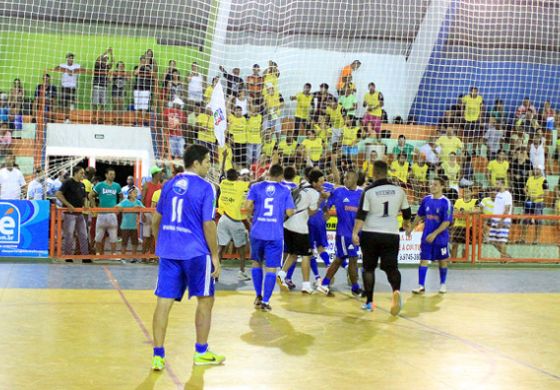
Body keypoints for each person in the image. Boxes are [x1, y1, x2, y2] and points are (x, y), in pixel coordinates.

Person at [151, 144, 224, 370]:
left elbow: (156, 219)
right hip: (196, 253)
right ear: (196, 163)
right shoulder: (206, 187)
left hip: (169, 251)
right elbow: (208, 224)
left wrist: (161, 242)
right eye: (207, 161)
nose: (209, 166)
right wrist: (215, 256)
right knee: (206, 300)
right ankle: (201, 352)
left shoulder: (169, 184)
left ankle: (158, 355)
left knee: (163, 302)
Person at [350, 160, 411, 314]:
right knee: (392, 268)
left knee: (368, 269)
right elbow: (407, 212)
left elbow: (361, 215)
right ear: (387, 172)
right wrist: (406, 223)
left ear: (374, 172)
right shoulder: (399, 190)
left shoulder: (368, 191)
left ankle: (370, 302)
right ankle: (396, 291)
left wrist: (355, 233)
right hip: (391, 234)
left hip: (371, 234)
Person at [244, 164, 295, 311]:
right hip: (274, 234)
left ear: (269, 173)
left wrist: (252, 217)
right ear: (280, 176)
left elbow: (247, 206)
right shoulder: (285, 190)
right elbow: (290, 212)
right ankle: (266, 301)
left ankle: (258, 295)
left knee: (256, 263)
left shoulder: (256, 187)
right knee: (271, 269)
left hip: (257, 232)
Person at [317, 159, 363, 298]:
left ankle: (325, 283)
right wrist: (325, 209)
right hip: (343, 234)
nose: (345, 179)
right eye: (344, 177)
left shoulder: (362, 194)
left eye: (348, 177)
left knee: (340, 259)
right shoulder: (338, 192)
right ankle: (355, 287)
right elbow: (326, 204)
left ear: (355, 180)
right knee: (351, 259)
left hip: (355, 234)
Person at [277, 170, 324, 294]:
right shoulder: (314, 193)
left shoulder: (302, 184)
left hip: (287, 224)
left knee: (293, 253)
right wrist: (320, 201)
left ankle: (281, 275)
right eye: (320, 182)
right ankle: (306, 285)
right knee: (306, 256)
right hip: (300, 228)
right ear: (314, 182)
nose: (322, 184)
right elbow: (312, 212)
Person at [408, 177, 453, 294]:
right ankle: (421, 285)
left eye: (435, 185)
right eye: (431, 184)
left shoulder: (446, 202)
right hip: (426, 237)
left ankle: (443, 284)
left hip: (440, 238)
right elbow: (419, 215)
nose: (432, 186)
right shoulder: (426, 199)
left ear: (442, 187)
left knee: (442, 261)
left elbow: (446, 222)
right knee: (423, 259)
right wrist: (411, 228)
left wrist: (435, 233)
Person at [217, 168, 251, 281]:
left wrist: (225, 159)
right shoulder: (240, 185)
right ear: (237, 177)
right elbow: (253, 183)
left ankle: (215, 272)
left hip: (223, 219)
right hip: (235, 221)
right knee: (241, 249)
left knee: (220, 248)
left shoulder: (223, 183)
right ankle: (241, 272)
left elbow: (221, 174)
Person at [56, 166, 89, 257]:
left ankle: (85, 256)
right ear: (75, 173)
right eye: (81, 173)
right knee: (69, 236)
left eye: (83, 173)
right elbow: (58, 194)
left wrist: (86, 205)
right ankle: (68, 256)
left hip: (80, 213)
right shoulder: (68, 182)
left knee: (83, 235)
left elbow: (84, 197)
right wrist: (68, 205)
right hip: (69, 214)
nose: (83, 175)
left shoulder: (82, 185)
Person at [89, 168, 122, 255]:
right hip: (101, 214)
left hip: (112, 214)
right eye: (110, 174)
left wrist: (119, 206)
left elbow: (121, 197)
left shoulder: (117, 186)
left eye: (113, 174)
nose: (112, 176)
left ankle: (113, 254)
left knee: (113, 236)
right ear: (106, 175)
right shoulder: (100, 185)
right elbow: (90, 195)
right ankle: (98, 254)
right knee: (98, 236)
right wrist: (94, 207)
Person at [451, 187, 479, 259]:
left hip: (468, 226)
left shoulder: (475, 201)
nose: (466, 193)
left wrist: (464, 213)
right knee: (454, 244)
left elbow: (477, 211)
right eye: (465, 192)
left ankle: (464, 260)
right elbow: (455, 212)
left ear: (471, 193)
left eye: (468, 191)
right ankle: (453, 261)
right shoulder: (458, 201)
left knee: (466, 246)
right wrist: (467, 213)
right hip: (458, 225)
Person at [523, 165, 548, 245]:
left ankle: (536, 239)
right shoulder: (530, 178)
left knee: (538, 221)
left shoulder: (544, 180)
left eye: (537, 169)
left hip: (538, 203)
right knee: (525, 220)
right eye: (534, 169)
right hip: (529, 201)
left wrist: (536, 197)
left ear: (541, 170)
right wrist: (528, 194)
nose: (535, 170)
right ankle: (523, 238)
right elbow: (525, 188)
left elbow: (546, 192)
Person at [488, 178, 512, 258]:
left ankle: (504, 258)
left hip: (503, 221)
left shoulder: (507, 194)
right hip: (495, 220)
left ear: (502, 184)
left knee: (502, 240)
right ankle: (506, 256)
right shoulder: (498, 194)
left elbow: (507, 209)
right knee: (492, 241)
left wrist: (501, 221)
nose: (496, 185)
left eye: (497, 183)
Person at [54, 53, 82, 123]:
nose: (70, 59)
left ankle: (70, 114)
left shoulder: (76, 65)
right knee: (65, 104)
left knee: (70, 104)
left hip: (72, 87)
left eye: (72, 58)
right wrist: (67, 70)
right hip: (64, 87)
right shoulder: (63, 65)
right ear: (67, 59)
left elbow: (83, 69)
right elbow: (56, 68)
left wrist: (73, 71)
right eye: (69, 58)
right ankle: (67, 119)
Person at [116, 187, 144, 256]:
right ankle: (123, 257)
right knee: (124, 243)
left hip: (134, 226)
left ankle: (133, 257)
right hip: (125, 226)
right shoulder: (125, 201)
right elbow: (117, 207)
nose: (136, 194)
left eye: (136, 192)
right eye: (134, 192)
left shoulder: (138, 202)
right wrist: (122, 208)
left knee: (135, 243)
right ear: (130, 194)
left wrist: (139, 208)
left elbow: (144, 209)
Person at [142, 166, 163, 255]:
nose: (161, 175)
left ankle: (151, 255)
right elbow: (142, 199)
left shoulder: (160, 186)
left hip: (156, 213)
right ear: (155, 175)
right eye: (159, 173)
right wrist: (142, 213)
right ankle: (143, 255)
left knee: (153, 236)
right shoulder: (147, 184)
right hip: (147, 213)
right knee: (146, 236)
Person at [92, 48, 114, 124]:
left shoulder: (107, 67)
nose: (105, 60)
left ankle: (101, 119)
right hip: (97, 87)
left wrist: (111, 54)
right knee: (95, 104)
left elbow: (112, 62)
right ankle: (94, 118)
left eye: (106, 59)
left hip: (104, 87)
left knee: (103, 104)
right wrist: (106, 52)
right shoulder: (97, 65)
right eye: (104, 59)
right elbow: (98, 59)